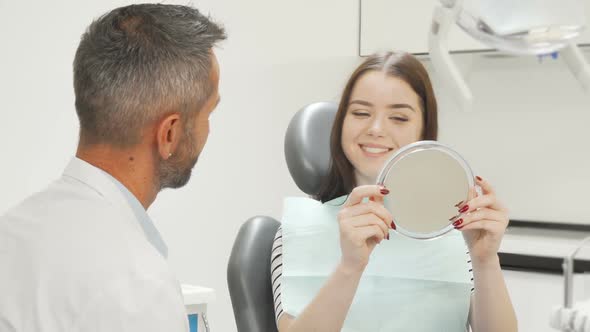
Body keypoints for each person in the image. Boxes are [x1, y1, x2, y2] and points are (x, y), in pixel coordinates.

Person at [0, 4, 225, 331]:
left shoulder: (11, 232)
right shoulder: (139, 288)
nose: (209, 130)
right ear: (170, 134)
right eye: (208, 114)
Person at [270, 52, 517, 331]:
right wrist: (350, 267)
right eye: (361, 113)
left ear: (424, 129)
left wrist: (485, 261)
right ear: (341, 123)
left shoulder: (455, 232)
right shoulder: (300, 231)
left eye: (398, 117)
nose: (376, 129)